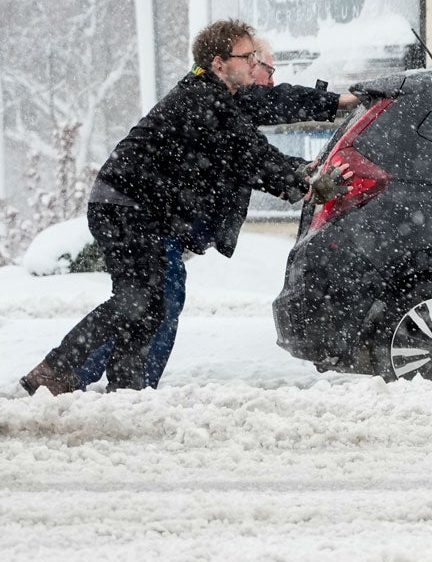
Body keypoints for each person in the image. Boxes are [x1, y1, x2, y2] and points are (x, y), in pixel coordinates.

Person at [20, 20, 347, 395]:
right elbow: (252, 156)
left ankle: (127, 389)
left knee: (152, 303)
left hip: (134, 208)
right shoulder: (205, 101)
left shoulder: (218, 95)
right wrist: (305, 182)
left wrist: (336, 104)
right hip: (128, 207)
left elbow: (268, 114)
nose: (255, 63)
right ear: (220, 62)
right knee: (141, 300)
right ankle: (58, 370)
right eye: (248, 57)